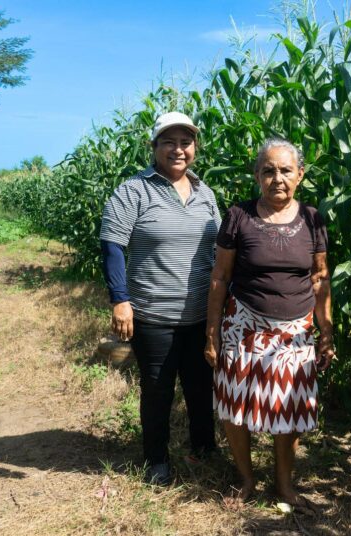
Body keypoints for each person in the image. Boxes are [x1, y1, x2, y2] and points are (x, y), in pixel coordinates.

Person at [204, 137, 335, 508]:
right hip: (243, 325)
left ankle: (284, 484)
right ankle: (245, 480)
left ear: (300, 175)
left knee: (289, 407)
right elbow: (220, 277)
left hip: (295, 329)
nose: (277, 178)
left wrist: (326, 331)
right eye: (268, 170)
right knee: (236, 404)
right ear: (257, 175)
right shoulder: (239, 216)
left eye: (286, 170)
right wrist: (212, 331)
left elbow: (320, 277)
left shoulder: (312, 218)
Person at [100, 111, 220, 486]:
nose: (178, 149)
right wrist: (120, 299)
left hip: (201, 313)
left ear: (195, 148)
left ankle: (204, 448)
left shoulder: (205, 193)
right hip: (153, 313)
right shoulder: (133, 190)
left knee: (202, 387)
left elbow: (218, 251)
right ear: (153, 147)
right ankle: (156, 459)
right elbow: (112, 246)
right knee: (157, 389)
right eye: (168, 142)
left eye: (185, 142)